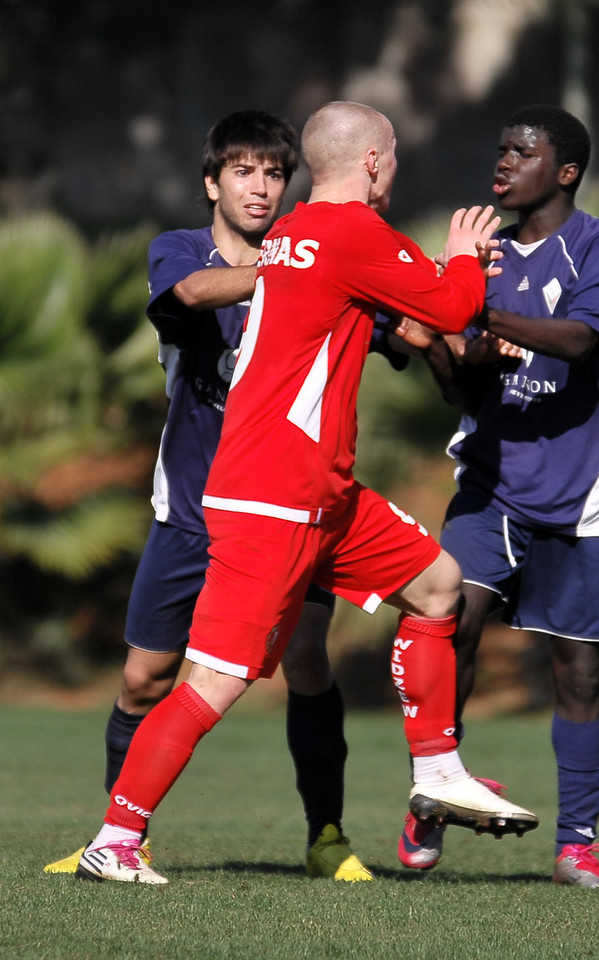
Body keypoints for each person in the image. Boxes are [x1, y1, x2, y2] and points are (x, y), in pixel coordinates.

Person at [74, 99, 539, 884]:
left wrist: (438, 292)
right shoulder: (348, 232)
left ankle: (435, 768)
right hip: (274, 496)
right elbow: (453, 307)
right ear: (370, 162)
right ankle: (114, 841)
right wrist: (461, 255)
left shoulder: (291, 235)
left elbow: (402, 315)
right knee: (211, 682)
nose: (393, 165)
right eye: (389, 153)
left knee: (436, 587)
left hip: (320, 490)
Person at [44, 108, 374, 882]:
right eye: (242, 171)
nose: (259, 187)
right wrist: (299, 266)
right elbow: (187, 294)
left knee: (307, 660)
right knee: (142, 679)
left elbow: (396, 325)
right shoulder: (182, 251)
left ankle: (326, 835)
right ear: (210, 182)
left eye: (272, 172)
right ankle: (122, 834)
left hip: (291, 506)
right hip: (192, 506)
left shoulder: (320, 252)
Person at [396, 105, 599, 887]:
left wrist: (478, 310)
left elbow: (583, 340)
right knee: (446, 621)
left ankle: (575, 843)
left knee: (577, 673)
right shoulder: (489, 257)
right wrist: (436, 343)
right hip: (491, 486)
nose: (501, 164)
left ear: (564, 171)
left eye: (520, 152)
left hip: (581, 496)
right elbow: (465, 391)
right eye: (499, 150)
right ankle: (433, 790)